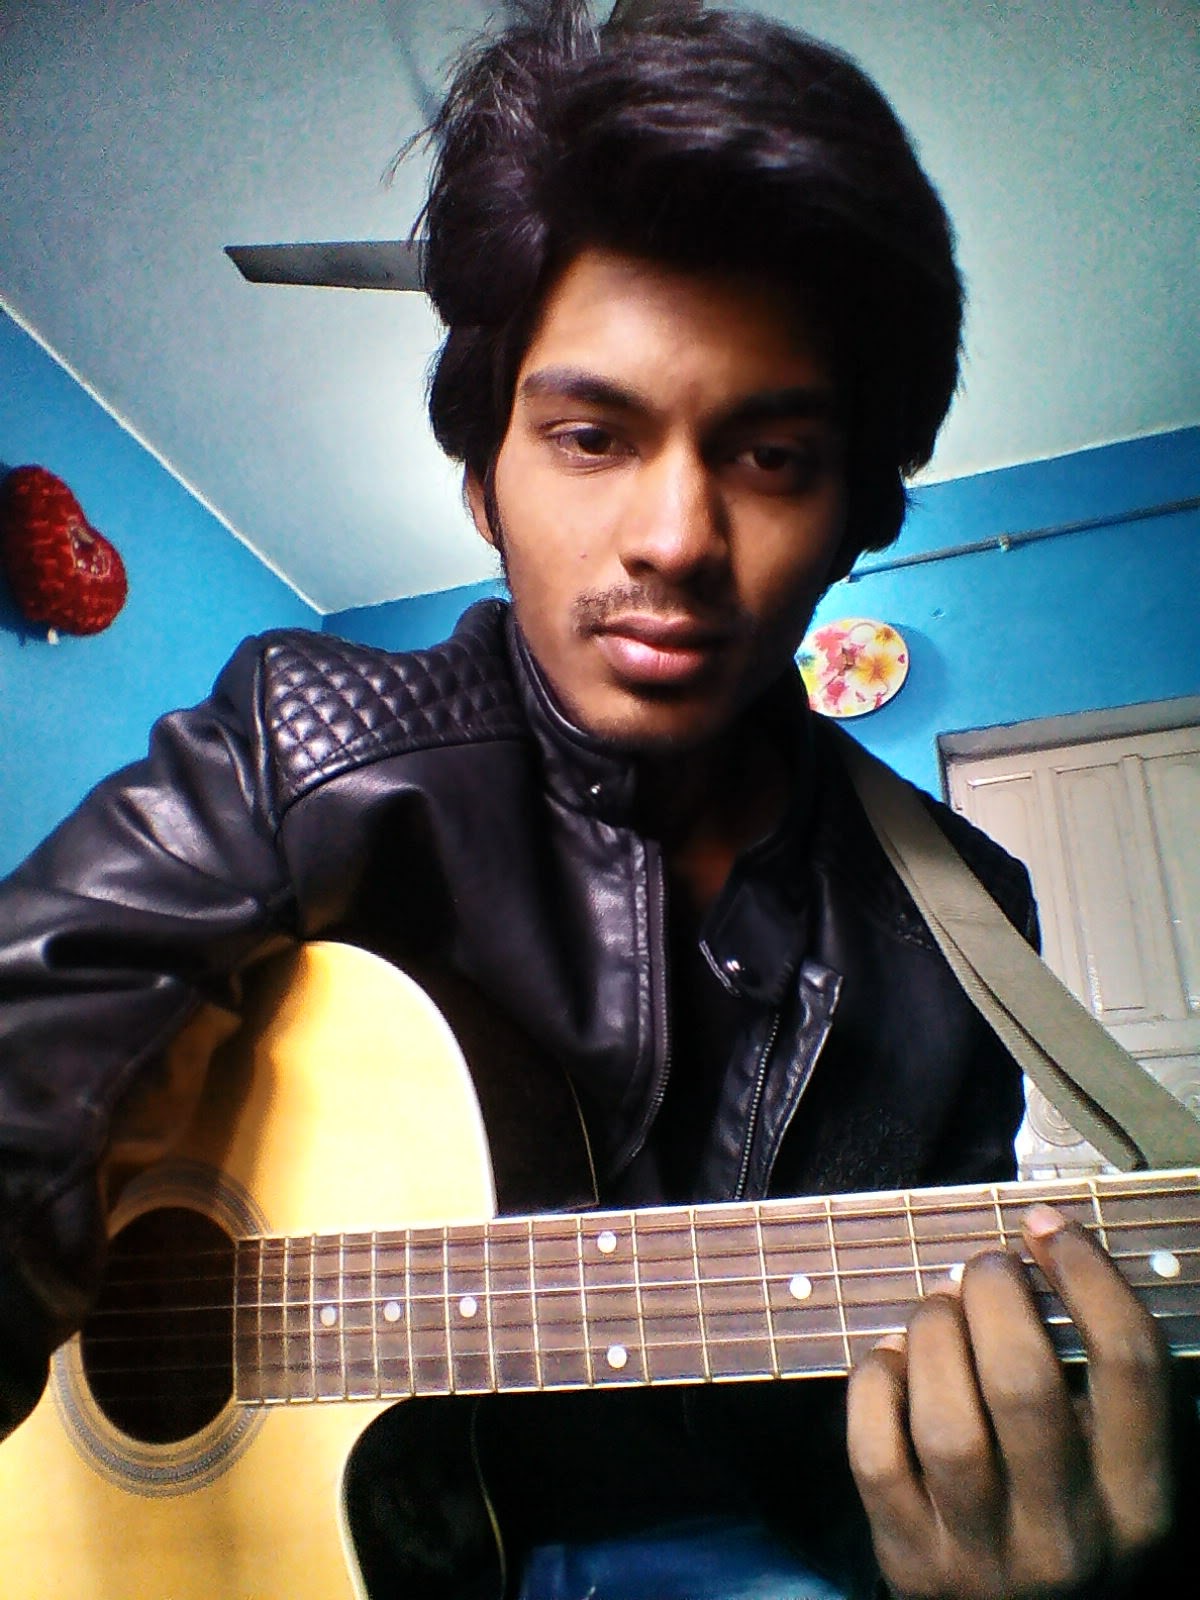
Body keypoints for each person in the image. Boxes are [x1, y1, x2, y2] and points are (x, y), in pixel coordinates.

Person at [0, 3, 1192, 1596]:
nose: (676, 537)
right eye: (589, 435)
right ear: (481, 481)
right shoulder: (307, 743)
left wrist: (987, 1536)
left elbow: (897, 1437)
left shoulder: (965, 927)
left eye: (772, 456)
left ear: (860, 515)